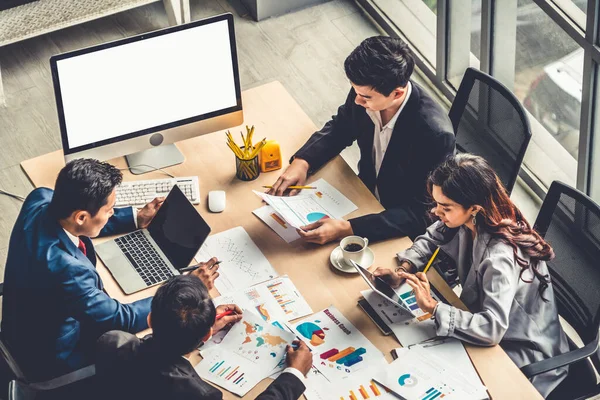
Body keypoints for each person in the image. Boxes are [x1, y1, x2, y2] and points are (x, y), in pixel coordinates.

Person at [2, 158, 220, 381]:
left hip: (19, 321)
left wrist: (135, 217)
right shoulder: (68, 271)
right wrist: (187, 290)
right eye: (109, 210)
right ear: (81, 217)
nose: (112, 213)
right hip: (54, 355)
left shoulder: (40, 198)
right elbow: (120, 318)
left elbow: (80, 223)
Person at [371, 154, 569, 397]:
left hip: (520, 349)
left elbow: (492, 328)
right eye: (436, 203)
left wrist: (433, 308)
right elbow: (432, 238)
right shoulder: (471, 217)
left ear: (473, 208)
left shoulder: (499, 258)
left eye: (445, 208)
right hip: (482, 323)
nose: (436, 212)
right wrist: (403, 271)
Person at [268, 36, 455, 244]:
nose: (357, 100)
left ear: (397, 93)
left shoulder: (434, 135)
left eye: (365, 97)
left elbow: (423, 212)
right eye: (356, 91)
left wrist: (349, 229)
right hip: (362, 194)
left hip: (395, 223)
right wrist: (303, 162)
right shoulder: (367, 90)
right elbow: (341, 127)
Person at [96, 275, 312, 400]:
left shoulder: (112, 341)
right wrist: (294, 376)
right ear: (209, 334)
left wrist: (194, 326)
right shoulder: (199, 394)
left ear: (150, 319)